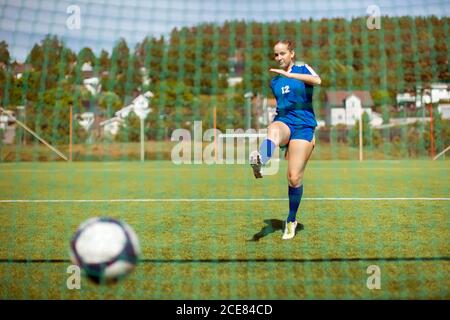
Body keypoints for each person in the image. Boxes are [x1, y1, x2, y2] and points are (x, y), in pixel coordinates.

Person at [249, 39, 321, 240]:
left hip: (304, 127)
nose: (278, 57)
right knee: (273, 128)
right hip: (284, 122)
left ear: (292, 54)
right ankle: (260, 160)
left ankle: (291, 220)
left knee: (293, 178)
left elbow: (318, 81)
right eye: (276, 54)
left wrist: (291, 75)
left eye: (282, 53)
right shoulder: (275, 82)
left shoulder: (303, 68)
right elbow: (282, 106)